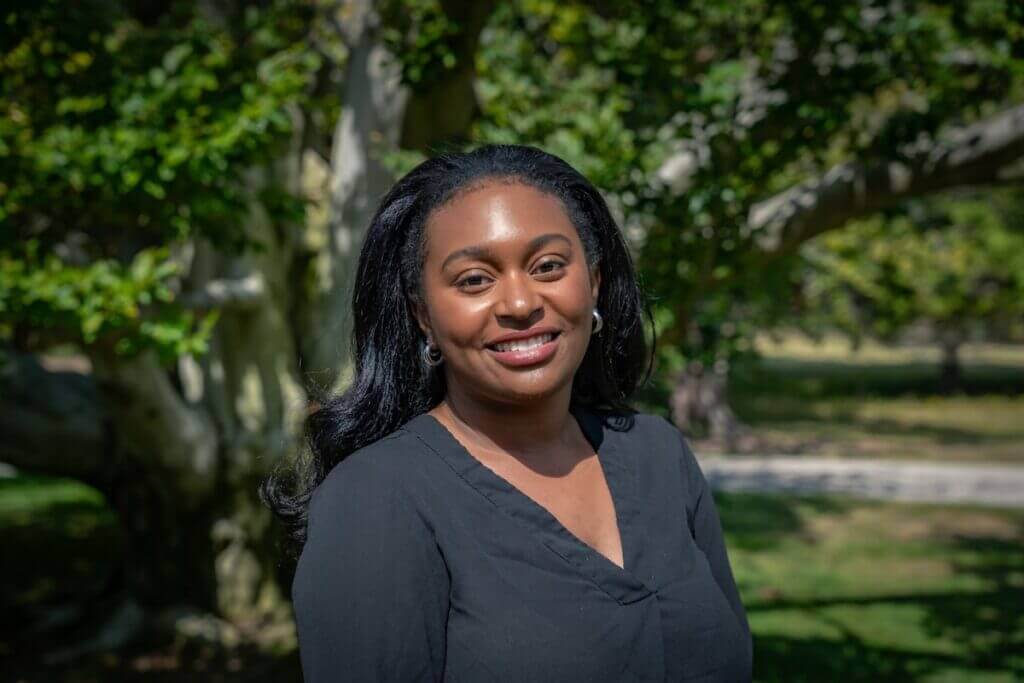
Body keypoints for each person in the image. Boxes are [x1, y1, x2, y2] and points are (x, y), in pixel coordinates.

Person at [262, 144, 753, 682]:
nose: (519, 303)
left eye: (548, 266)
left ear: (594, 281)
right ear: (422, 314)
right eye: (474, 279)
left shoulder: (658, 454)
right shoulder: (379, 499)